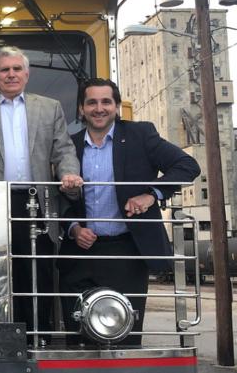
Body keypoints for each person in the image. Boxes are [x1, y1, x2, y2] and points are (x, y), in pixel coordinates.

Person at [59, 78, 200, 345]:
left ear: (116, 107)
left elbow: (187, 165)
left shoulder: (141, 135)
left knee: (125, 339)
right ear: (81, 109)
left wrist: (151, 194)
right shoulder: (68, 144)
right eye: (91, 102)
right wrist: (73, 227)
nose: (99, 108)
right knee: (78, 340)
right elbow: (57, 197)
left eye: (106, 102)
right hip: (79, 253)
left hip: (127, 251)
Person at [0, 46, 82, 336]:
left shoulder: (49, 107)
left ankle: (38, 333)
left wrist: (69, 173)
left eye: (17, 69)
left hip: (36, 201)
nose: (11, 74)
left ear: (27, 74)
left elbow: (63, 150)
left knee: (37, 270)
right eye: (4, 70)